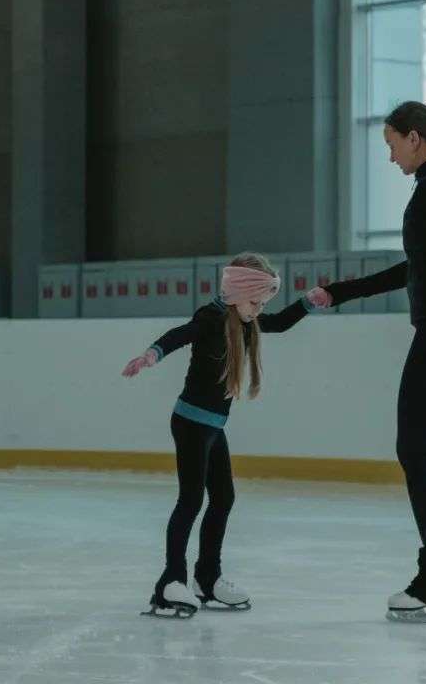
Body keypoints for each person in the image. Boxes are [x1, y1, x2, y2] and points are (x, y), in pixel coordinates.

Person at [310, 101, 426, 621]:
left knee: (415, 453)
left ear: (415, 138)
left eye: (392, 145)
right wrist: (342, 292)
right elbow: (420, 267)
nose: (391, 158)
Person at [123, 252, 316, 618]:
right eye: (255, 302)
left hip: (212, 426)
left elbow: (278, 323)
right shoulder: (211, 317)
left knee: (223, 498)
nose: (259, 310)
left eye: (263, 303)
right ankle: (170, 583)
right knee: (191, 500)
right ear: (237, 293)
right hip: (191, 423)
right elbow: (180, 334)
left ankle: (207, 578)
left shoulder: (245, 321)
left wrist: (308, 302)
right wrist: (152, 355)